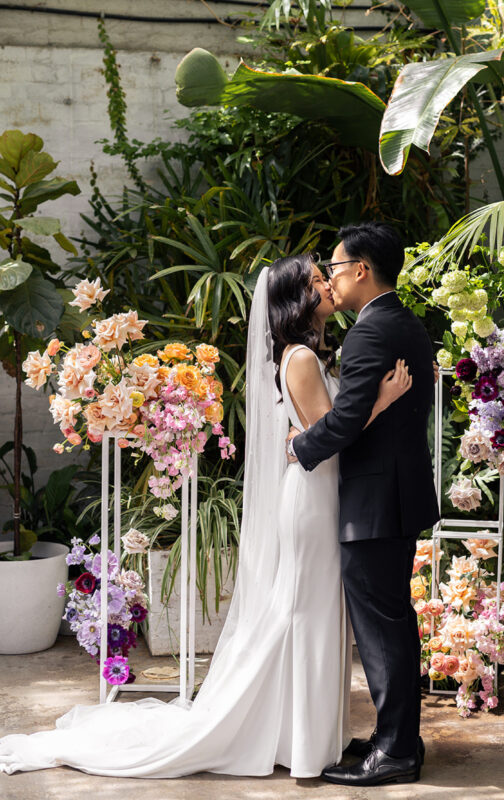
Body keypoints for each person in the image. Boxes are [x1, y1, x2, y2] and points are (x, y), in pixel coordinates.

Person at [0, 253, 411, 779]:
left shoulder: (302, 355)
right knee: (303, 614)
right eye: (316, 281)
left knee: (307, 613)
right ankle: (301, 742)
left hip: (317, 495)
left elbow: (309, 436)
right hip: (313, 499)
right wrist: (380, 399)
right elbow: (331, 438)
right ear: (298, 299)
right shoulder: (302, 360)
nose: (328, 285)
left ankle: (303, 736)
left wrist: (302, 440)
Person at [288, 222, 440, 787]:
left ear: (362, 271)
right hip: (393, 498)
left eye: (334, 266)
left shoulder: (371, 333)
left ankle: (396, 750)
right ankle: (395, 737)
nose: (329, 277)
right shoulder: (401, 323)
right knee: (392, 624)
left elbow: (349, 419)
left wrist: (299, 447)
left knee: (382, 629)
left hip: (376, 502)